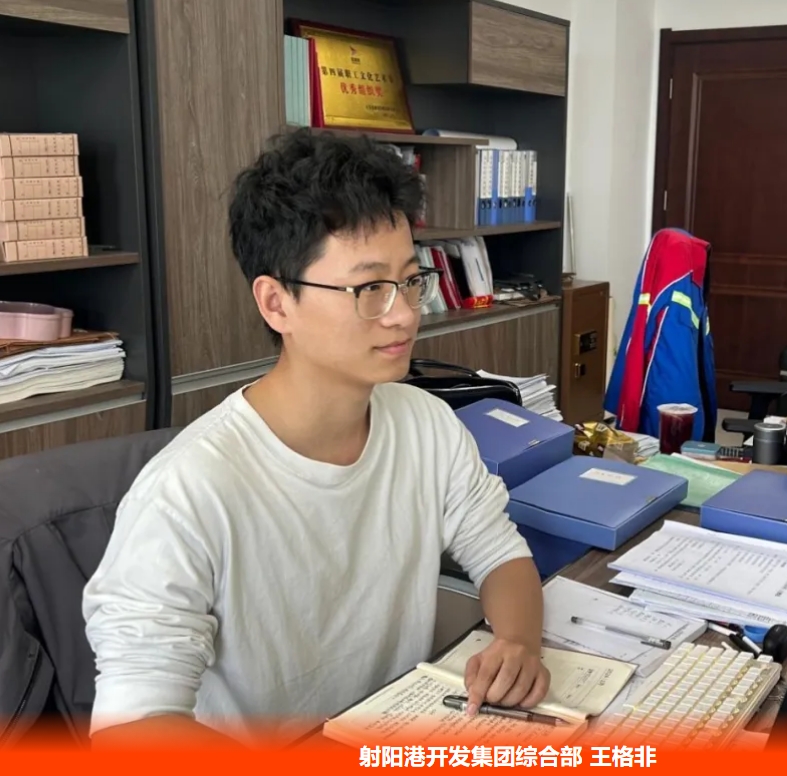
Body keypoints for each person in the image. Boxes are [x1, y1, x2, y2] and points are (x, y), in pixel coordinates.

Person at [81, 129, 549, 747]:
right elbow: (131, 727)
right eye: (369, 289)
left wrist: (517, 642)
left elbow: (501, 553)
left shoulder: (426, 424)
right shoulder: (186, 493)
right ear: (277, 303)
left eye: (411, 281)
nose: (404, 313)